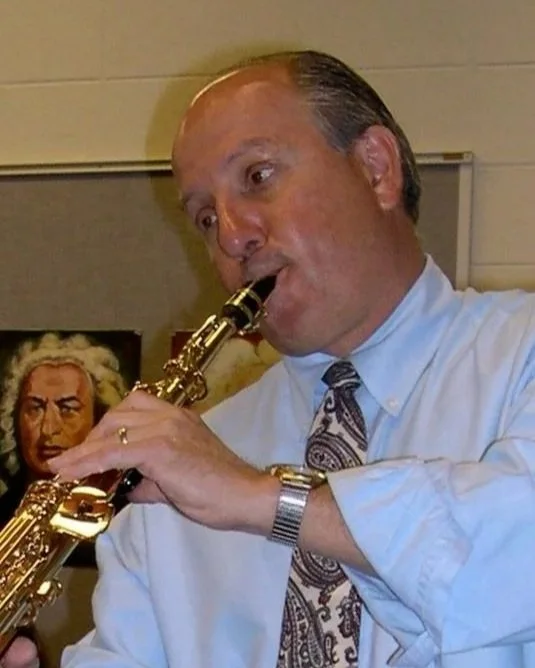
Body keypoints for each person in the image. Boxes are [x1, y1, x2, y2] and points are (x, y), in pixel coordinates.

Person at [6, 48, 535, 666]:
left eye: (258, 177)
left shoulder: (519, 353)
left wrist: (264, 500)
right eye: (206, 218)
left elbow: (509, 551)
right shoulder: (178, 475)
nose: (233, 237)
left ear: (376, 168)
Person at [0, 332, 128, 520]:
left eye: (68, 409)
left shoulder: (127, 517)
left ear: (100, 418)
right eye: (35, 408)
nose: (48, 429)